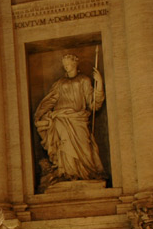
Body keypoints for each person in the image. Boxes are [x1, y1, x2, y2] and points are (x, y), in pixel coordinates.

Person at [34, 53, 105, 185]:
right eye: (64, 64)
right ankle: (67, 173)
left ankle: (85, 174)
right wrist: (40, 114)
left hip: (79, 119)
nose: (66, 66)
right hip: (61, 118)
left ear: (75, 63)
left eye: (68, 63)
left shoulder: (84, 80)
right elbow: (50, 100)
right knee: (64, 145)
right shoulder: (59, 83)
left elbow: (94, 103)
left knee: (85, 146)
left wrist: (99, 82)